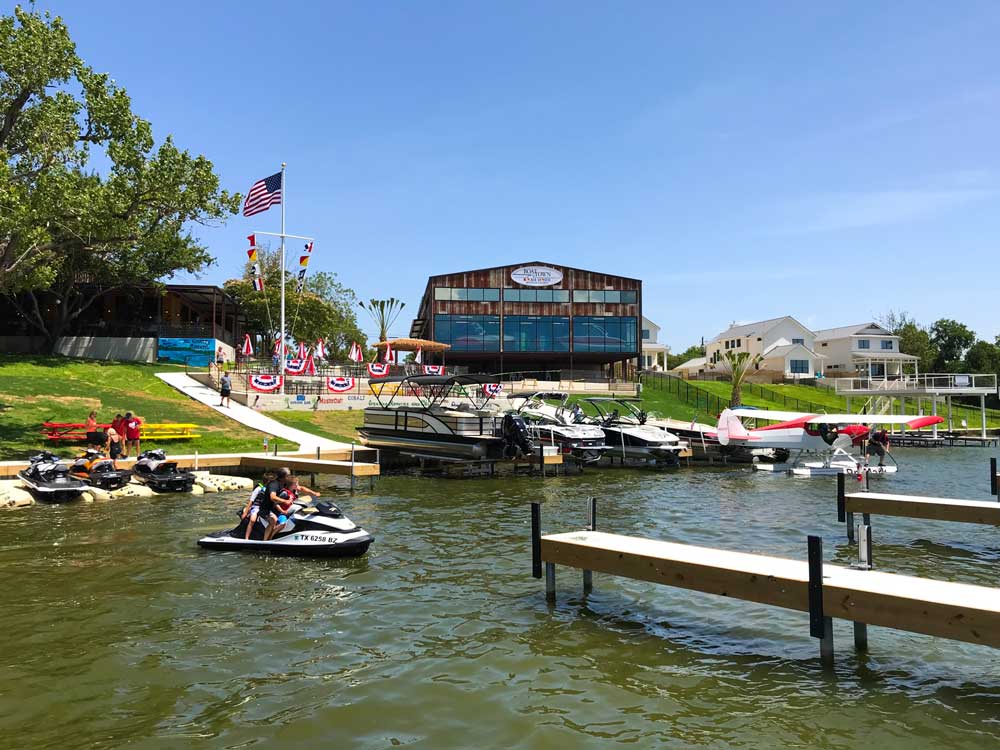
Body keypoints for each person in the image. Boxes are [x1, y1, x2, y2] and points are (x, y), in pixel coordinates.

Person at [265, 475, 321, 540]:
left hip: (292, 512)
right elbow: (276, 504)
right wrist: (283, 511)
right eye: (297, 484)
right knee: (283, 524)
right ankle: (271, 537)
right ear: (292, 485)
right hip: (283, 514)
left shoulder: (294, 490)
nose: (298, 485)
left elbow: (302, 488)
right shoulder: (284, 493)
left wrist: (314, 493)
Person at [240, 471, 275, 540]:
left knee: (274, 520)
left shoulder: (272, 490)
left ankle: (268, 538)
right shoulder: (259, 489)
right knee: (252, 520)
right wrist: (245, 513)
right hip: (256, 507)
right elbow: (251, 501)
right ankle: (246, 538)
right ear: (268, 482)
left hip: (264, 508)